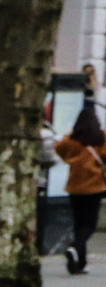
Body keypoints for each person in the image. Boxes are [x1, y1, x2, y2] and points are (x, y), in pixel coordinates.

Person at [56, 101, 104, 275]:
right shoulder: (101, 138)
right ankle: (74, 246)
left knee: (78, 223)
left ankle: (79, 264)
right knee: (89, 225)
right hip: (94, 187)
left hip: (74, 188)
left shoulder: (72, 140)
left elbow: (59, 149)